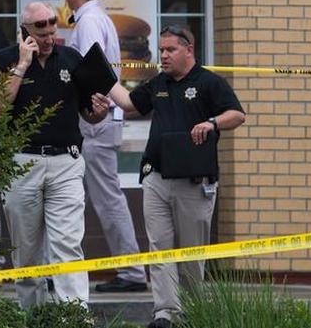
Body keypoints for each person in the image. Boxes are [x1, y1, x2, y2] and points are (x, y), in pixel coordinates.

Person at [93, 24, 246, 328]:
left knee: (190, 254)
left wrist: (212, 123)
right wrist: (99, 73)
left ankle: (193, 312)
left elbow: (237, 114)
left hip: (194, 181)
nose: (163, 55)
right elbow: (128, 103)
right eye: (161, 50)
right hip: (156, 178)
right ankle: (165, 313)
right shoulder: (158, 83)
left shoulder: (209, 82)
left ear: (189, 50)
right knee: (159, 248)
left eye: (170, 50)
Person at [0, 1, 104, 308]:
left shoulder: (73, 59)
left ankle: (75, 316)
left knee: (67, 244)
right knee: (27, 251)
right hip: (22, 163)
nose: (50, 38)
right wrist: (21, 67)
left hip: (67, 161)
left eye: (53, 30)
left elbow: (90, 113)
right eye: (42, 32)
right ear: (25, 32)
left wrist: (99, 113)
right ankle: (32, 316)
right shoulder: (1, 60)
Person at [62, 0, 147, 293]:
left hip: (95, 121)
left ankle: (131, 271)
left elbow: (93, 70)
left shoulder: (90, 21)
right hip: (98, 119)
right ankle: (129, 269)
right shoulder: (96, 18)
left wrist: (90, 109)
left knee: (106, 198)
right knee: (94, 196)